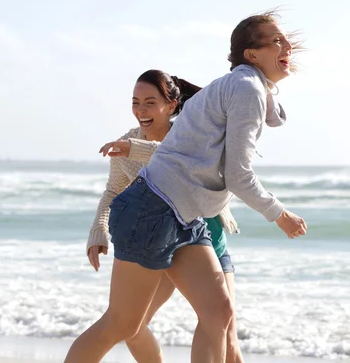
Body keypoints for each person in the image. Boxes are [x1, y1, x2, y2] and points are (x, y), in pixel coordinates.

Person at [64, 11, 307, 363]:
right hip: (154, 210)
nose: (287, 46)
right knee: (122, 324)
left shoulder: (249, 87)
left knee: (219, 313)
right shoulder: (245, 88)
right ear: (252, 55)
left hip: (186, 217)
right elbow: (238, 174)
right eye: (276, 40)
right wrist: (279, 214)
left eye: (285, 39)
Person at [86, 69, 244, 362]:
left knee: (225, 327)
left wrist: (137, 149)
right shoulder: (126, 142)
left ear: (171, 105)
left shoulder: (190, 132)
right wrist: (98, 229)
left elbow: (177, 155)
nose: (141, 111)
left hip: (208, 232)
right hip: (163, 234)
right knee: (131, 326)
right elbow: (113, 192)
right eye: (135, 102)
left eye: (149, 102)